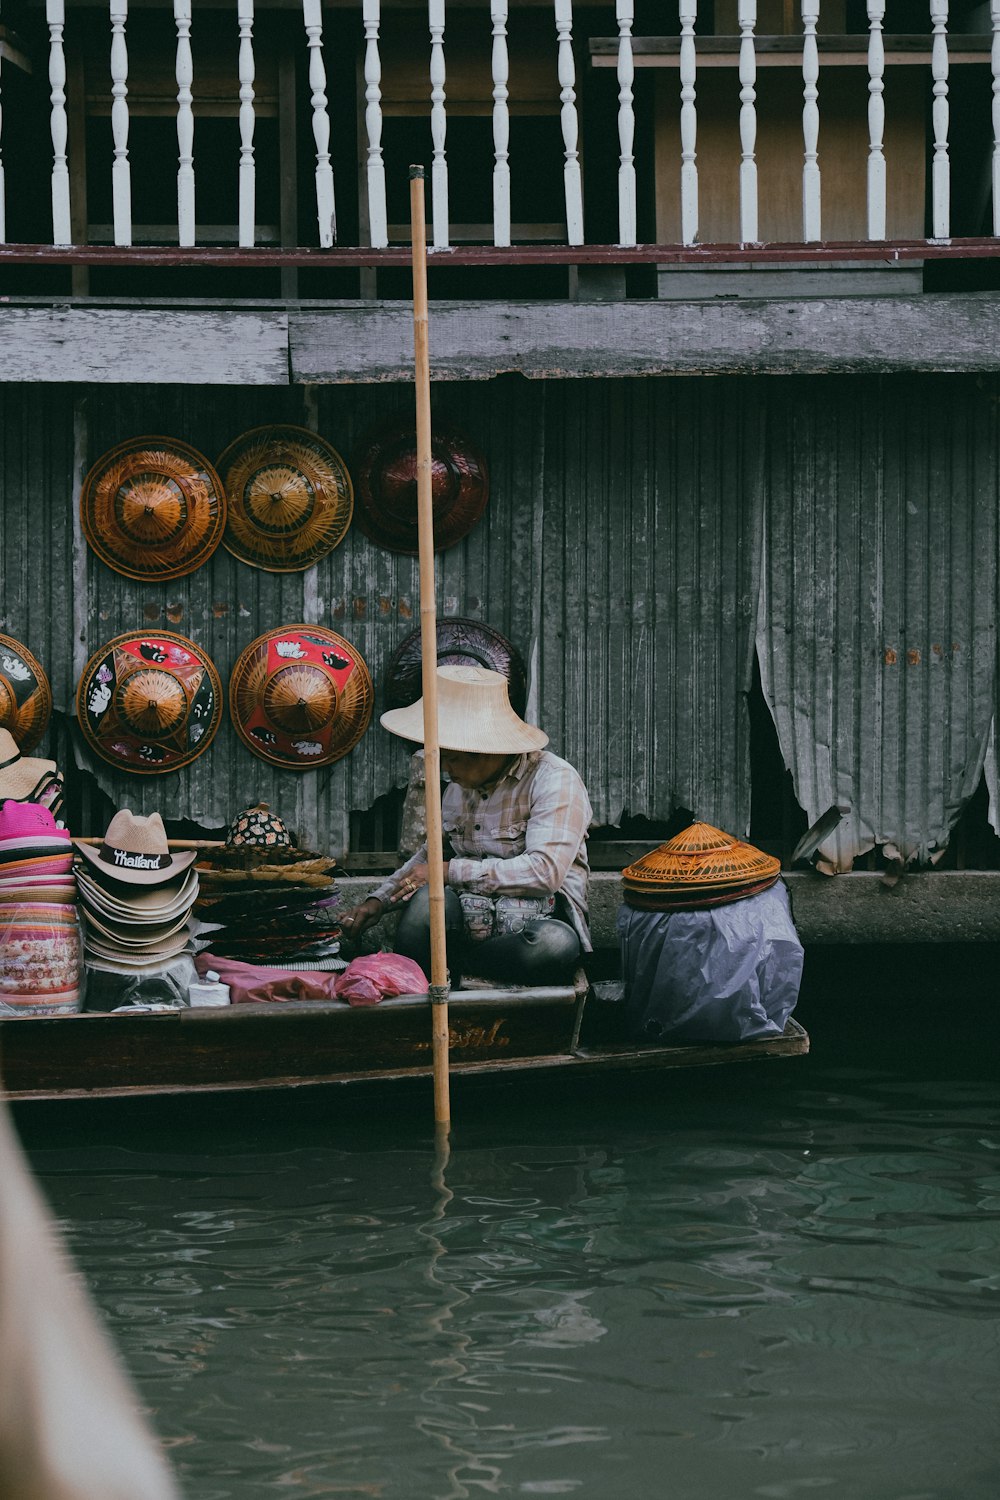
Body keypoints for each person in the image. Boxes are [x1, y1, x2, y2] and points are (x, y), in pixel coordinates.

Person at [340, 664, 592, 986]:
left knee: (553, 945)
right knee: (423, 905)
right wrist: (378, 902)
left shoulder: (554, 779)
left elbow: (545, 872)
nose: (445, 769)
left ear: (485, 750)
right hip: (468, 924)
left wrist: (448, 871)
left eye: (453, 758)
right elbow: (427, 859)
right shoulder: (457, 789)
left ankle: (456, 971)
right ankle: (449, 976)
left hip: (535, 927)